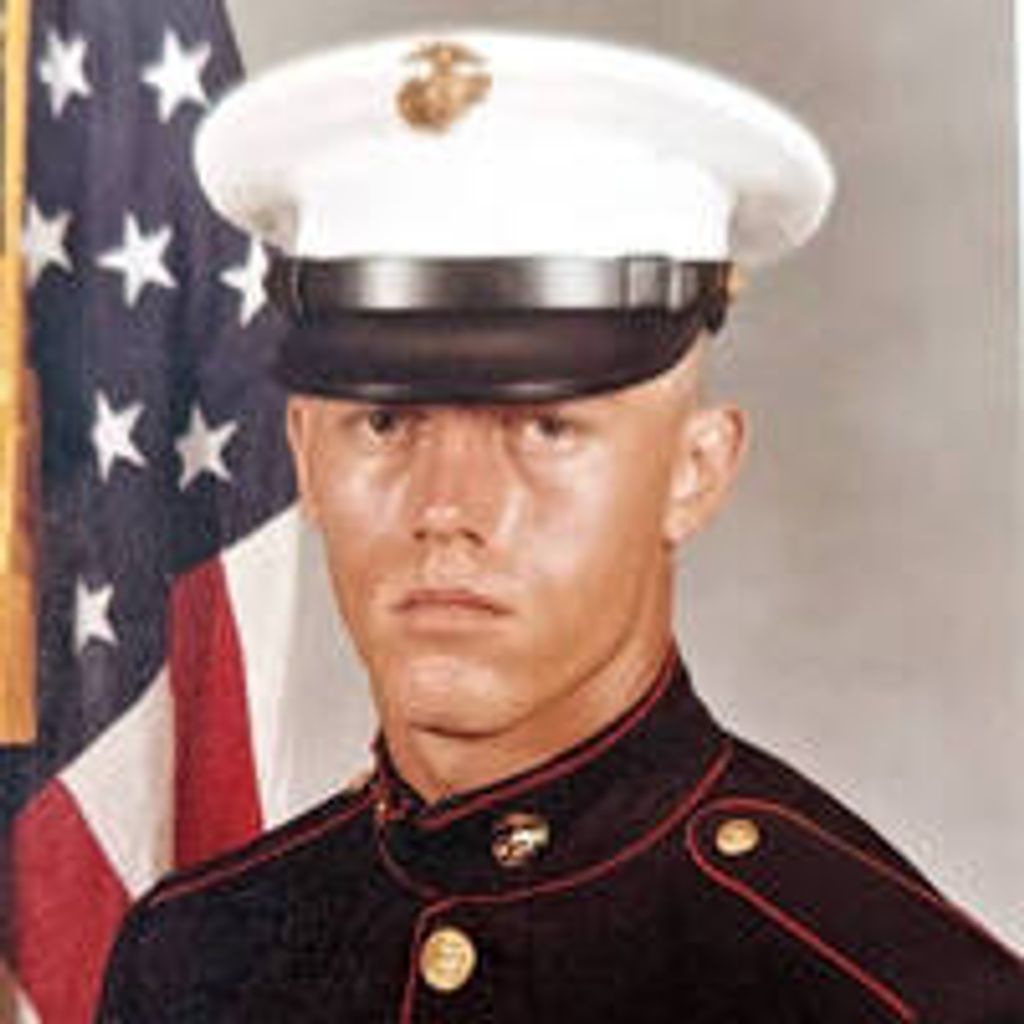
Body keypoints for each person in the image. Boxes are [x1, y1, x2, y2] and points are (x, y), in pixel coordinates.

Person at [96, 27, 1024, 1023]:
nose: (447, 509)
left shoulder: (892, 991)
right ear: (305, 455)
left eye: (544, 427)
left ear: (694, 470)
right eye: (386, 422)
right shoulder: (193, 961)